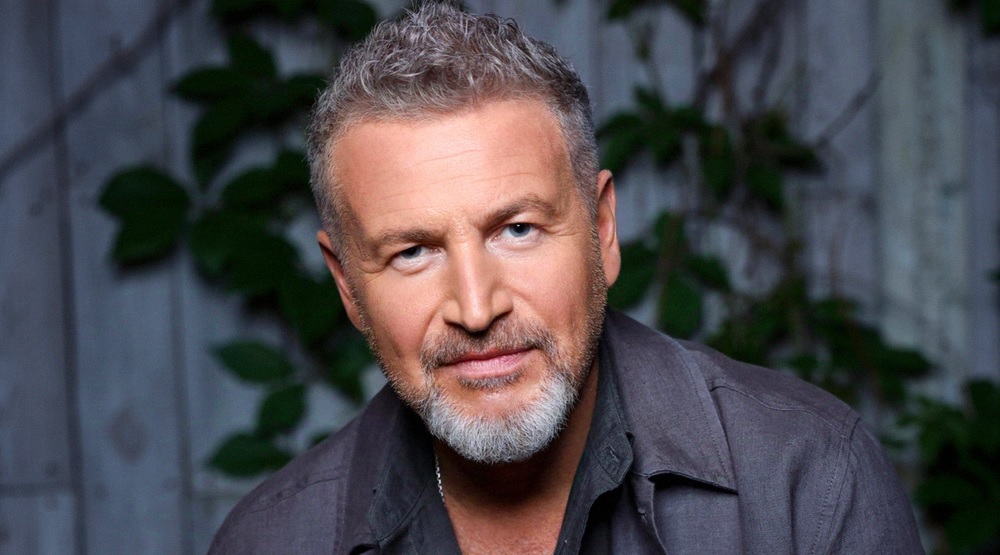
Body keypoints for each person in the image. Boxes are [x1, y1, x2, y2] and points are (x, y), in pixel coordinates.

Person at [210, 3, 923, 553]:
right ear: (347, 286)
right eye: (413, 252)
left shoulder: (811, 485)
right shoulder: (272, 541)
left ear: (602, 231)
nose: (476, 308)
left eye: (517, 229)